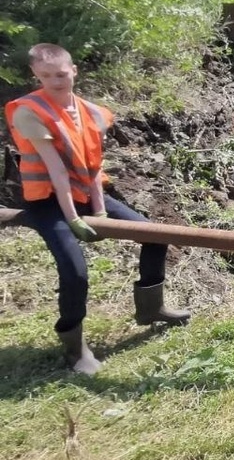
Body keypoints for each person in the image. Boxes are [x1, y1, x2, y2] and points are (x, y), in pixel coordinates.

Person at [3, 43, 189, 376]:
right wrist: (73, 218)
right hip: (47, 200)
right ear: (35, 75)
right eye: (46, 76)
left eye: (60, 74)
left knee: (154, 235)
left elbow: (91, 165)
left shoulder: (89, 111)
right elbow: (56, 170)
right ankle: (75, 350)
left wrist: (100, 209)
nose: (55, 81)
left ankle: (152, 308)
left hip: (84, 194)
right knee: (75, 272)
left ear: (73, 71)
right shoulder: (29, 111)